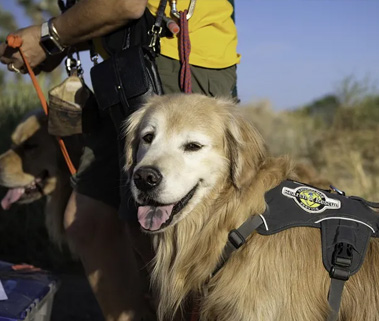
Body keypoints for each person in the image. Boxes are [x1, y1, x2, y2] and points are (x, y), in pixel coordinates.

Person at [0, 1, 240, 320]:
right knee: (89, 221)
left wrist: (50, 35)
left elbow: (124, 4)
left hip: (173, 55)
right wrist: (57, 44)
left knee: (178, 239)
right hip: (121, 70)